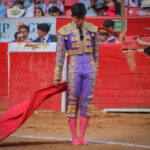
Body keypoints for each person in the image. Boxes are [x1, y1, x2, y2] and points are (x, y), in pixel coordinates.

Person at [53, 3, 99, 145]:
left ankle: (82, 137)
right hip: (74, 68)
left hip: (89, 68)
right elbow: (59, 56)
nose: (80, 21)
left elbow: (96, 53)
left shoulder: (92, 30)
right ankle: (74, 137)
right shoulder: (63, 31)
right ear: (71, 16)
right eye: (77, 18)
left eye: (82, 18)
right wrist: (56, 76)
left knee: (87, 101)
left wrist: (95, 70)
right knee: (72, 101)